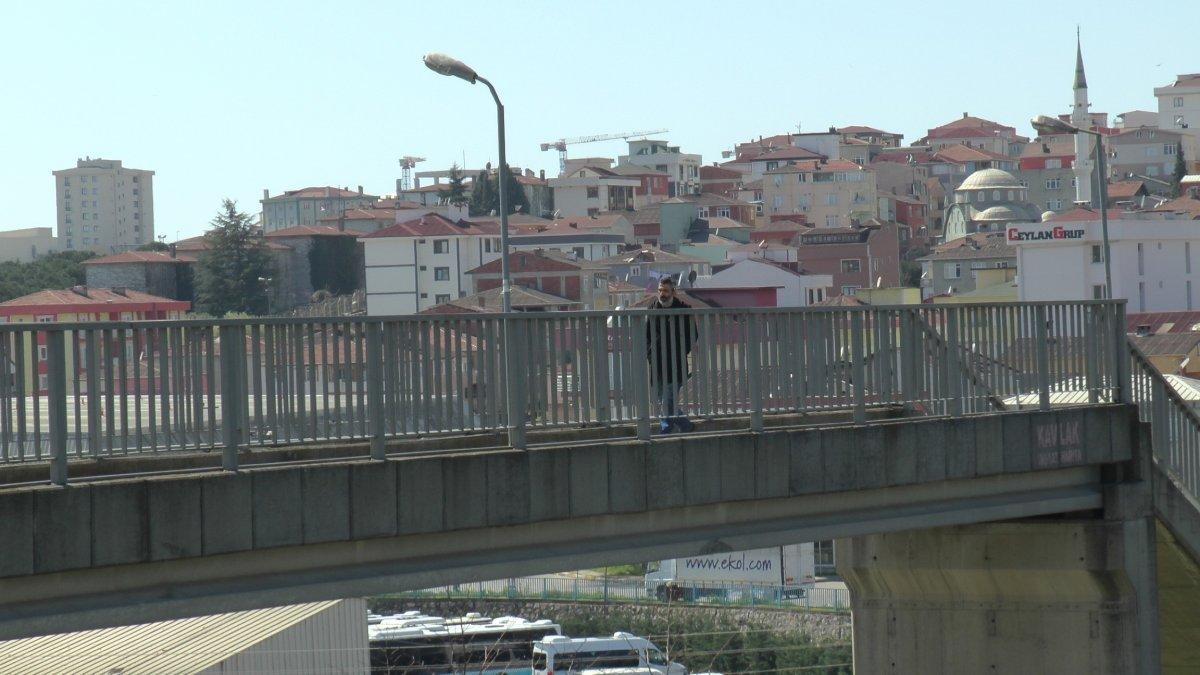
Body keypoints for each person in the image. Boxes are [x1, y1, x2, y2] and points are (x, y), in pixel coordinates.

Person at [646, 277, 698, 434]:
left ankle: (670, 427)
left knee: (667, 401)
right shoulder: (652, 309)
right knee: (660, 399)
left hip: (676, 364)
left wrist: (681, 352)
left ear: (673, 292)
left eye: (666, 291)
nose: (662, 294)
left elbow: (693, 335)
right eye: (660, 290)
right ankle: (680, 426)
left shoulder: (684, 309)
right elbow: (646, 336)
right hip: (657, 364)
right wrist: (650, 354)